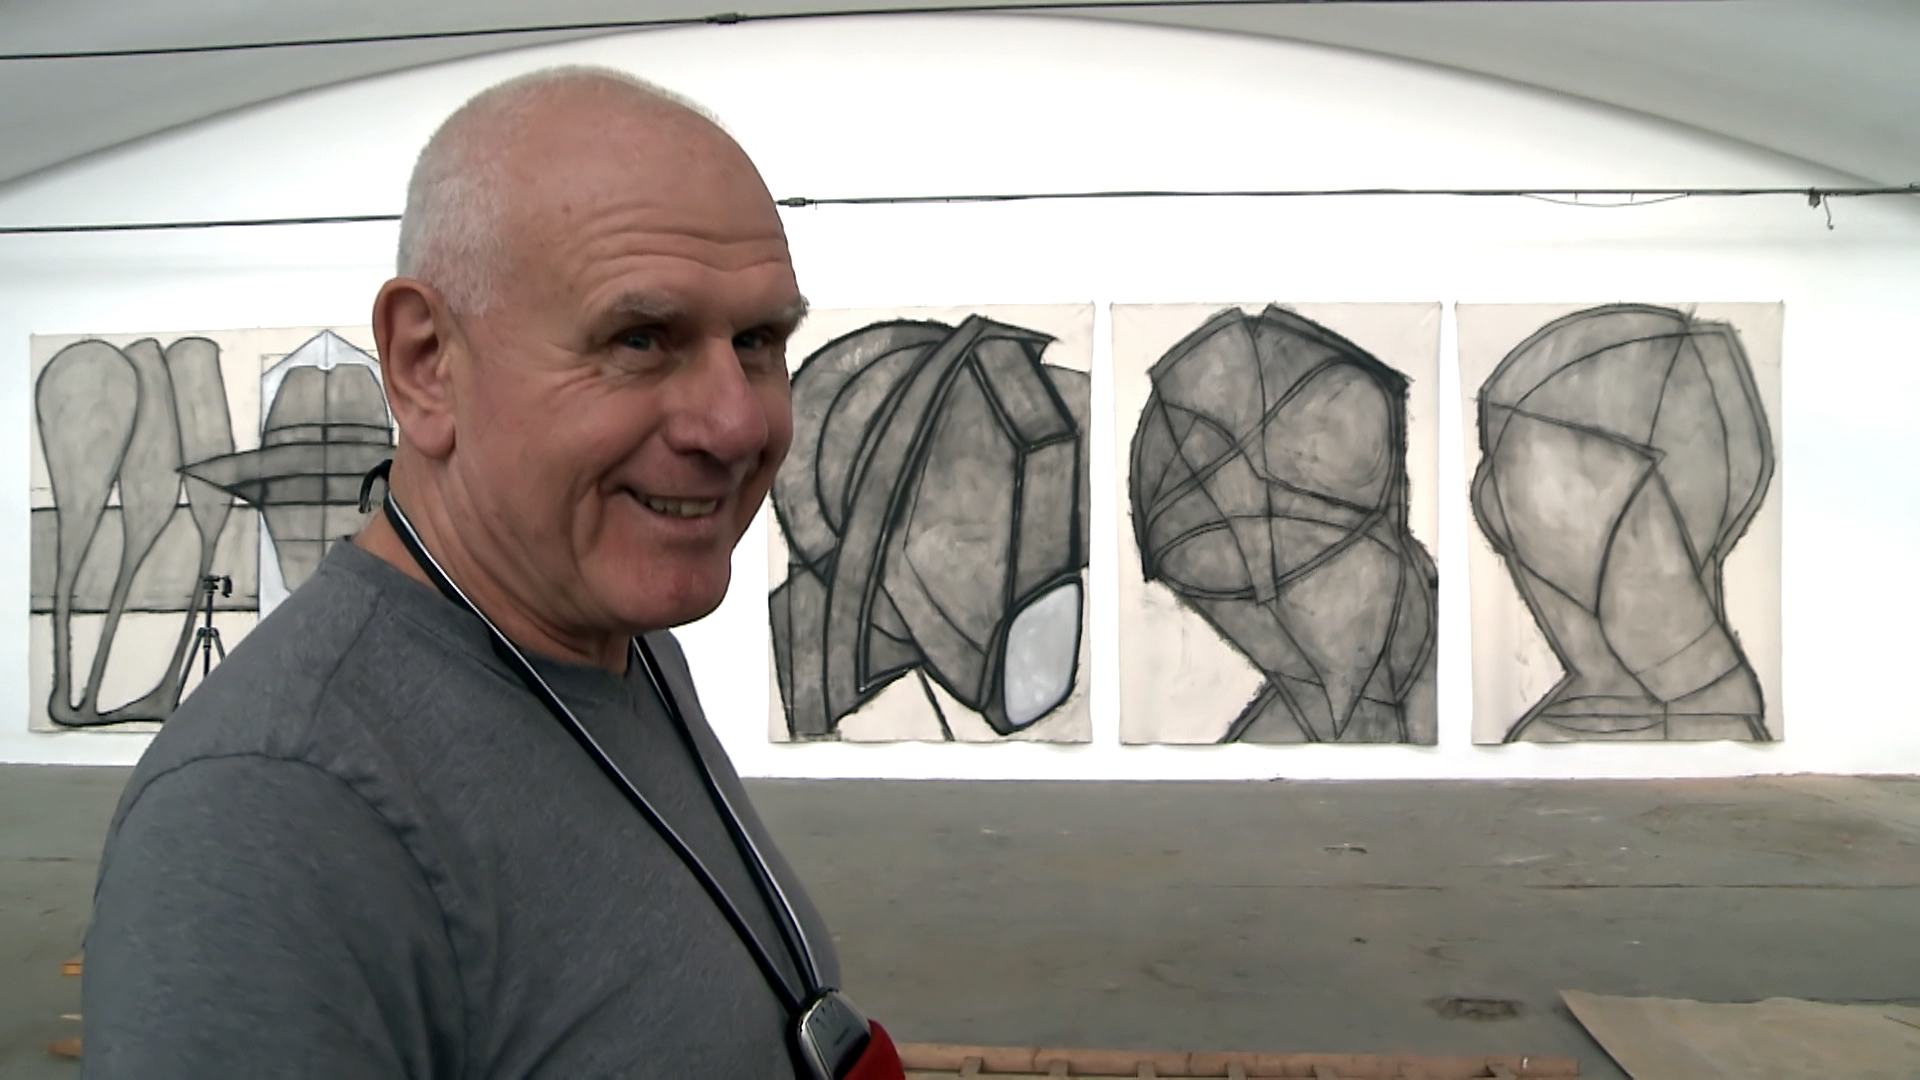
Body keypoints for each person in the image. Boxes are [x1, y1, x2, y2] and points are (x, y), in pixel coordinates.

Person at [82, 66, 891, 1078]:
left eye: (759, 340)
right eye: (640, 338)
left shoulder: (618, 645)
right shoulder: (270, 816)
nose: (736, 424)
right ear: (427, 364)